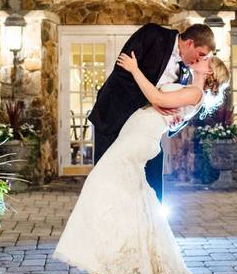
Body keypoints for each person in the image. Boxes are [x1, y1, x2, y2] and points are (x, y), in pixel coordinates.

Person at [54, 50, 230, 274]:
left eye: (207, 60)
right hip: (135, 135)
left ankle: (114, 252)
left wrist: (134, 69)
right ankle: (121, 252)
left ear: (209, 71)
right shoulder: (189, 89)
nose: (202, 58)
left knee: (100, 182)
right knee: (131, 195)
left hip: (139, 139)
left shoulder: (194, 92)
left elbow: (158, 99)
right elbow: (164, 106)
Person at [87, 23, 215, 201]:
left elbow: (180, 108)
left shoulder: (188, 73)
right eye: (201, 54)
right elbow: (123, 72)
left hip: (146, 132)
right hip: (114, 118)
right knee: (106, 179)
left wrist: (175, 122)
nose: (199, 60)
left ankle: (149, 224)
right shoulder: (153, 34)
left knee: (153, 186)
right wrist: (153, 100)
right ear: (189, 43)